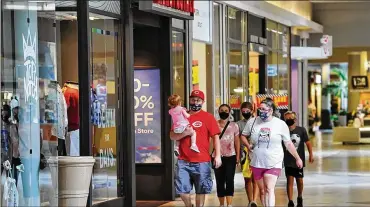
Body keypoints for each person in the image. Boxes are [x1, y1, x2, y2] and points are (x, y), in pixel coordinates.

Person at [240, 98, 303, 207]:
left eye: (264, 109)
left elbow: (288, 143)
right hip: (256, 161)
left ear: (271, 110)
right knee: (262, 190)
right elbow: (243, 136)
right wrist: (248, 145)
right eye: (260, 109)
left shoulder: (280, 124)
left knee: (269, 188)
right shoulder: (253, 121)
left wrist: (297, 158)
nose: (261, 111)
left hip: (274, 161)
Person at [170, 90, 222, 207]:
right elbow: (172, 135)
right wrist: (185, 134)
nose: (195, 102)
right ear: (189, 100)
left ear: (203, 102)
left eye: (198, 100)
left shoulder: (208, 117)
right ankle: (189, 205)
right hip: (183, 161)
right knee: (182, 191)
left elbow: (216, 137)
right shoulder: (181, 115)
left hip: (202, 161)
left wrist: (218, 155)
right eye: (193, 100)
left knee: (201, 190)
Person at [283, 111, 314, 207]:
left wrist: (311, 154)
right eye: (286, 119)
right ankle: (290, 201)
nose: (288, 120)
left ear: (295, 119)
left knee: (299, 180)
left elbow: (308, 143)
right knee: (290, 180)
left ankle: (300, 196)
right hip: (288, 160)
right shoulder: (283, 131)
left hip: (299, 160)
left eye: (290, 118)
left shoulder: (301, 130)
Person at [214, 104, 240, 207]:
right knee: (219, 180)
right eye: (221, 110)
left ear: (229, 112)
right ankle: (221, 204)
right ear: (218, 111)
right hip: (217, 156)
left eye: (226, 110)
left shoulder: (234, 125)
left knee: (230, 179)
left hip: (231, 156)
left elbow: (237, 142)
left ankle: (229, 204)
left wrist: (238, 156)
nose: (224, 112)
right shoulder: (214, 124)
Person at [237, 102, 259, 207]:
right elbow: (237, 140)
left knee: (256, 178)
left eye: (247, 111)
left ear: (252, 111)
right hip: (244, 154)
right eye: (243, 111)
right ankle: (250, 200)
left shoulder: (258, 122)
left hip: (256, 153)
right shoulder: (239, 124)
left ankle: (254, 200)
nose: (245, 113)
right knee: (247, 178)